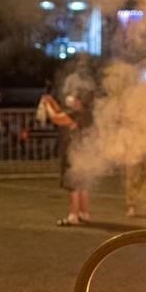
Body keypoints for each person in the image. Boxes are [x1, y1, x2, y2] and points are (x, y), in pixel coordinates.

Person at [42, 91, 92, 226]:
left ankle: (73, 215)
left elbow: (56, 118)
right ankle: (84, 213)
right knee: (82, 185)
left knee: (73, 186)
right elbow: (61, 112)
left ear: (80, 101)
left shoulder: (76, 114)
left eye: (75, 98)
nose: (71, 100)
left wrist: (47, 105)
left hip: (74, 153)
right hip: (85, 153)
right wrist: (52, 102)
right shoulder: (86, 113)